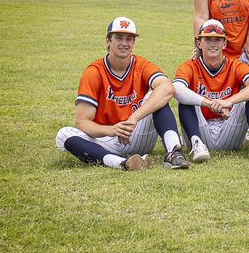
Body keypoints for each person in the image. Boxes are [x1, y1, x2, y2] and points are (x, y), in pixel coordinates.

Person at [55, 17, 190, 171]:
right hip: (107, 139)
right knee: (63, 135)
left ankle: (174, 153)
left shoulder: (142, 65)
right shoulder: (94, 72)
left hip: (136, 133)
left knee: (158, 96)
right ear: (108, 41)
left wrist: (133, 118)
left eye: (129, 38)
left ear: (134, 43)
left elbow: (168, 88)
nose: (124, 43)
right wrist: (112, 130)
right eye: (118, 38)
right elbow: (82, 122)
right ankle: (122, 163)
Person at [173, 19, 249, 163]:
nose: (213, 44)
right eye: (208, 39)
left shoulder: (234, 65)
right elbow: (176, 89)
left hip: (229, 128)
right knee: (186, 98)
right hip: (200, 129)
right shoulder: (189, 66)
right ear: (198, 43)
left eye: (218, 40)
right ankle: (196, 144)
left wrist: (227, 102)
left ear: (224, 44)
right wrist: (211, 104)